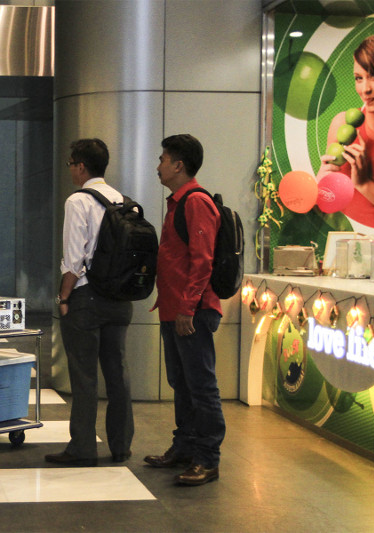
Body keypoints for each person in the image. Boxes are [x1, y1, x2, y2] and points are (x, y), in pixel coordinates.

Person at [44, 138, 134, 467]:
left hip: (86, 298)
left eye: (71, 164)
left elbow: (73, 259)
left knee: (84, 376)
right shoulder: (124, 201)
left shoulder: (78, 201)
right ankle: (121, 446)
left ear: (81, 166)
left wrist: (63, 296)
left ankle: (83, 447)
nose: (70, 169)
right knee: (117, 372)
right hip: (120, 299)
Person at [145, 133, 225, 486]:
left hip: (191, 312)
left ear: (179, 165)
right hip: (174, 309)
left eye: (163, 159)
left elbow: (202, 261)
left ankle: (207, 459)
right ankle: (185, 447)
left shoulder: (196, 202)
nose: (158, 165)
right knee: (181, 383)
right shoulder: (178, 203)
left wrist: (187, 309)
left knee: (201, 386)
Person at [317, 35, 374, 228]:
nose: (365, 89)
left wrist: (363, 183)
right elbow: (328, 202)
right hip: (344, 237)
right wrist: (322, 183)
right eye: (359, 78)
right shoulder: (341, 123)